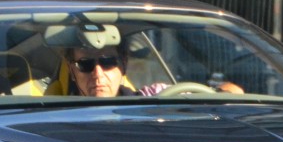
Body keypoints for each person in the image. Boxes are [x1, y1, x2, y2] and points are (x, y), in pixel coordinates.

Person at [67, 44, 244, 97]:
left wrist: (219, 93)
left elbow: (235, 92)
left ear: (123, 65)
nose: (97, 74)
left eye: (108, 62)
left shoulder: (155, 97)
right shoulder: (53, 119)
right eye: (86, 64)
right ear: (72, 71)